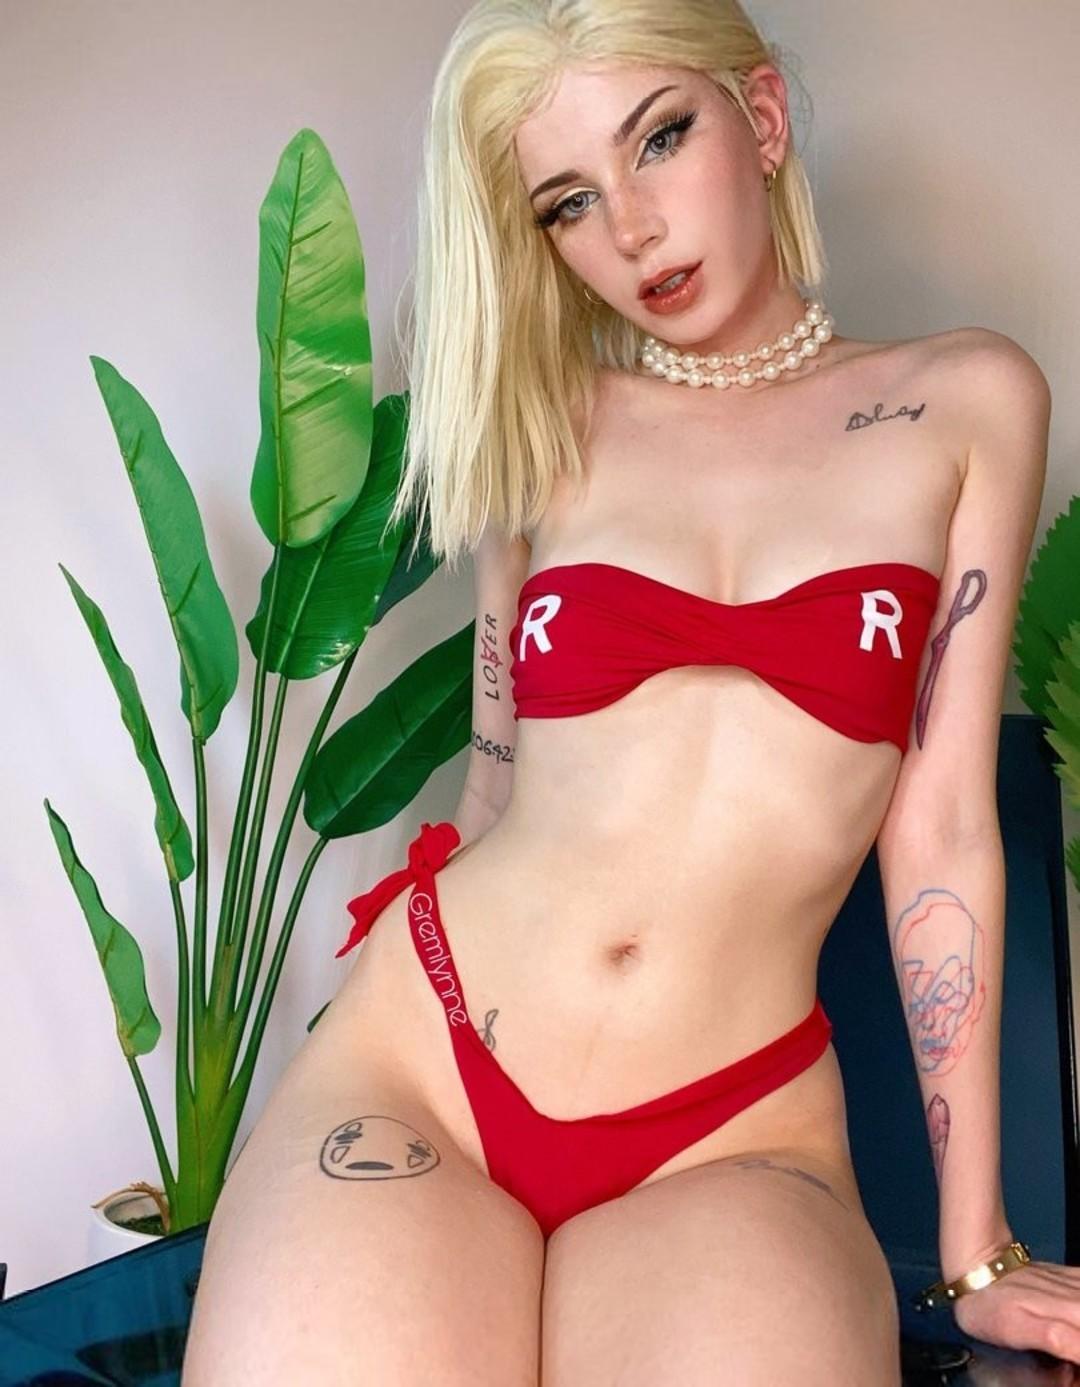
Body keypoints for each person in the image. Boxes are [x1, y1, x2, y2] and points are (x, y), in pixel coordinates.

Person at [183, 2, 1080, 1383]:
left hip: (730, 1127)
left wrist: (981, 1253)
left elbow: (943, 827)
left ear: (761, 119)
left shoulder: (965, 402)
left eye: (659, 139)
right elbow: (498, 786)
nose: (634, 229)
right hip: (429, 1063)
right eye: (569, 202)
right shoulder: (546, 426)